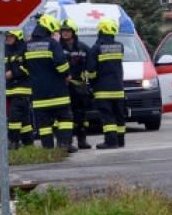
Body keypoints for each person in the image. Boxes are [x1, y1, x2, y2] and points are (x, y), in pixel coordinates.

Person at [25, 14, 77, 153]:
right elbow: (61, 64)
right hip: (58, 92)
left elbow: (23, 67)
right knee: (65, 119)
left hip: (38, 94)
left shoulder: (27, 45)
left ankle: (47, 149)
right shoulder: (52, 44)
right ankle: (64, 145)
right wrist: (67, 75)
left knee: (44, 124)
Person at [85, 17, 126, 149]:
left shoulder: (96, 48)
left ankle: (111, 142)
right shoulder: (120, 46)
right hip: (118, 89)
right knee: (119, 116)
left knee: (108, 117)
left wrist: (91, 81)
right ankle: (120, 141)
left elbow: (91, 70)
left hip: (103, 90)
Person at [59, 18, 93, 149]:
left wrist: (88, 79)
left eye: (68, 31)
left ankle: (82, 141)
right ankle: (67, 142)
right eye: (63, 31)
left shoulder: (83, 48)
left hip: (79, 87)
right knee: (66, 116)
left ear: (73, 32)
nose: (65, 33)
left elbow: (91, 65)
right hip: (64, 87)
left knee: (81, 115)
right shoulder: (57, 48)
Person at [3, 29, 35, 149]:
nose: (8, 39)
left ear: (18, 37)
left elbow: (29, 68)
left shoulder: (25, 49)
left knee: (14, 116)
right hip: (10, 88)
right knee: (24, 117)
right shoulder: (6, 49)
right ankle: (28, 142)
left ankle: (13, 141)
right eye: (7, 36)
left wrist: (13, 73)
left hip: (22, 88)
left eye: (11, 36)